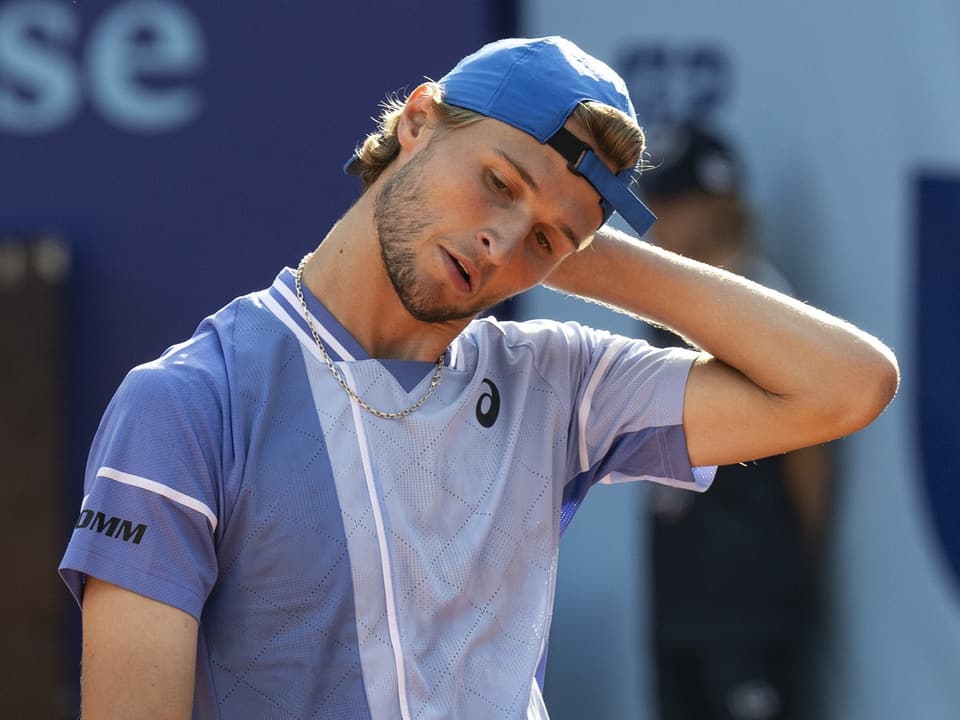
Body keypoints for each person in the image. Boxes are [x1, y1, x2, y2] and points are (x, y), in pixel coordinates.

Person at [58, 36, 898, 720]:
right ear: (418, 121)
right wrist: (551, 220)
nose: (501, 241)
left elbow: (847, 385)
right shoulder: (186, 402)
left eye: (543, 240)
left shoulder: (558, 381)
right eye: (497, 183)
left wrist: (583, 251)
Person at [637, 123, 832, 720]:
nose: (657, 221)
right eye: (653, 203)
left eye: (675, 202)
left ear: (719, 203)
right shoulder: (663, 308)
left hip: (750, 604)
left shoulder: (760, 301)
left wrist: (785, 572)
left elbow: (811, 453)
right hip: (679, 599)